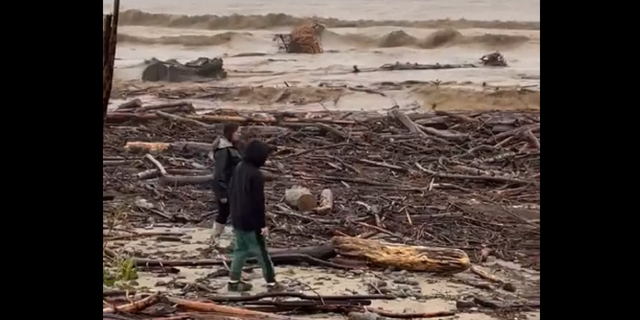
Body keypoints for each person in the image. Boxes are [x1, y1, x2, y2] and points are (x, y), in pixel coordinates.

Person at [226, 140, 280, 292]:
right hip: (251, 221)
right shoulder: (256, 175)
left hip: (237, 218)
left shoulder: (239, 168)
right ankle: (271, 283)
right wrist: (262, 224)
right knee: (261, 253)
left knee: (240, 251)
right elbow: (258, 202)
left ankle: (233, 282)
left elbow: (231, 190)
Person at [210, 122, 242, 245]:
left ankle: (215, 239)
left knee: (225, 214)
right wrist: (222, 193)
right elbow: (219, 173)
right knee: (232, 214)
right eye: (237, 132)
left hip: (232, 187)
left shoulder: (230, 148)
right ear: (230, 133)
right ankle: (235, 241)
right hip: (227, 188)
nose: (239, 134)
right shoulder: (224, 151)